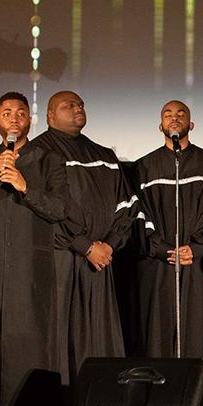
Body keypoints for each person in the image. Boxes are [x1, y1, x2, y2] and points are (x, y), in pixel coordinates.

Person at [0, 91, 68, 406]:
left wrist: (25, 186)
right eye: (6, 113)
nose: (13, 119)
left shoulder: (49, 160)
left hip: (30, 266)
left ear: (29, 120)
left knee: (29, 340)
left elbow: (59, 209)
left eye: (20, 113)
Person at [29, 90, 138, 387]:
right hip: (61, 257)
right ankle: (62, 399)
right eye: (69, 105)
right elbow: (38, 209)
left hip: (102, 258)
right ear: (50, 115)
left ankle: (99, 397)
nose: (78, 109)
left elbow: (127, 206)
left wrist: (110, 244)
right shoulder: (38, 152)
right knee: (62, 332)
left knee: (98, 333)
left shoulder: (104, 155)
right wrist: (84, 245)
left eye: (80, 105)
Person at [133, 100, 203, 359]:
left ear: (191, 124)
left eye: (181, 114)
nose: (174, 118)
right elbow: (138, 214)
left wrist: (196, 247)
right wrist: (162, 248)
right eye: (168, 114)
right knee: (157, 331)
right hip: (157, 261)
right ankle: (158, 394)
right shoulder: (144, 167)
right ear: (160, 125)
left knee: (196, 328)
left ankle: (195, 393)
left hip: (197, 262)